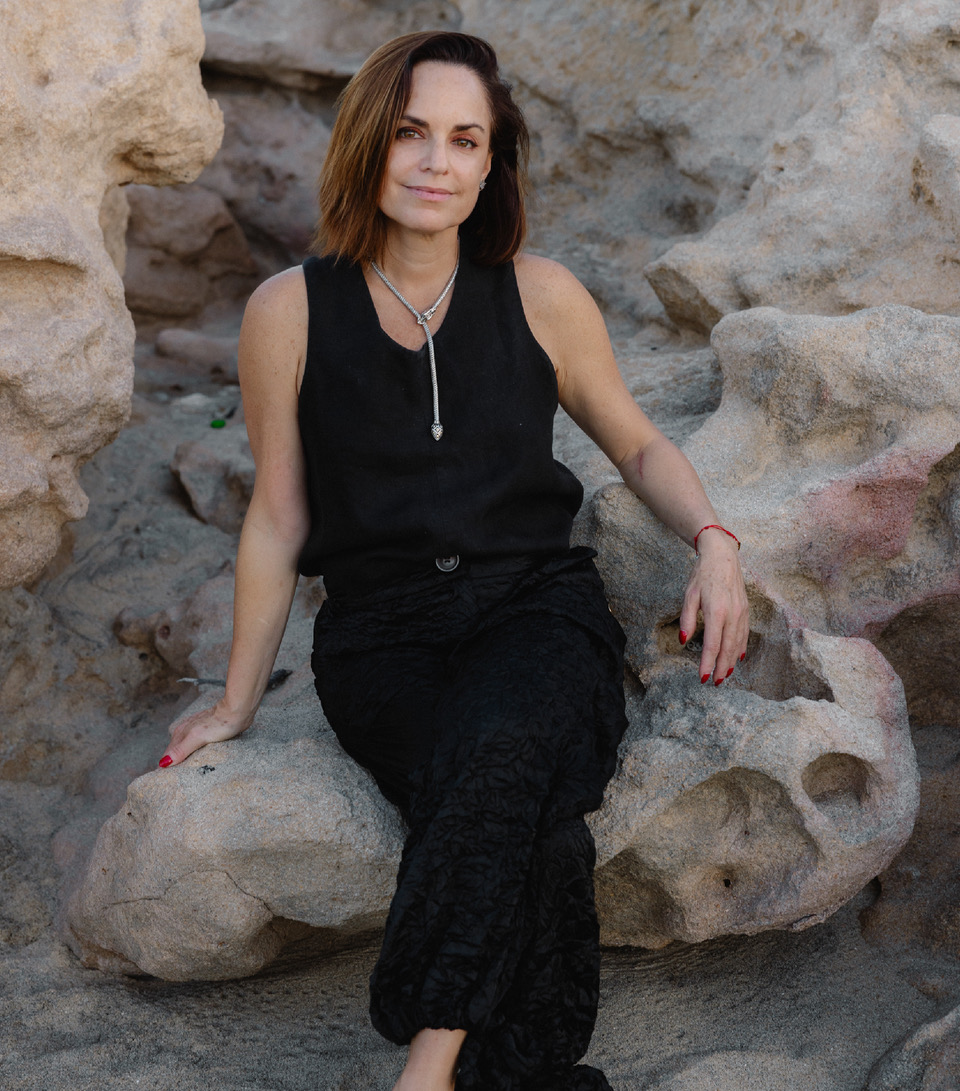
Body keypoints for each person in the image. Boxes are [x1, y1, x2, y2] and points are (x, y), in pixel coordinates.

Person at [158, 30, 749, 1091]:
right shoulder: (288, 311)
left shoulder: (543, 294)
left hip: (537, 611)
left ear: (491, 164)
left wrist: (714, 541)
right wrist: (236, 700)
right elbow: (278, 518)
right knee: (541, 831)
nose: (437, 161)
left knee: (503, 742)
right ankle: (518, 1071)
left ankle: (426, 1067)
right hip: (382, 639)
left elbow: (638, 444)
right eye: (411, 133)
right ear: (368, 146)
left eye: (466, 140)